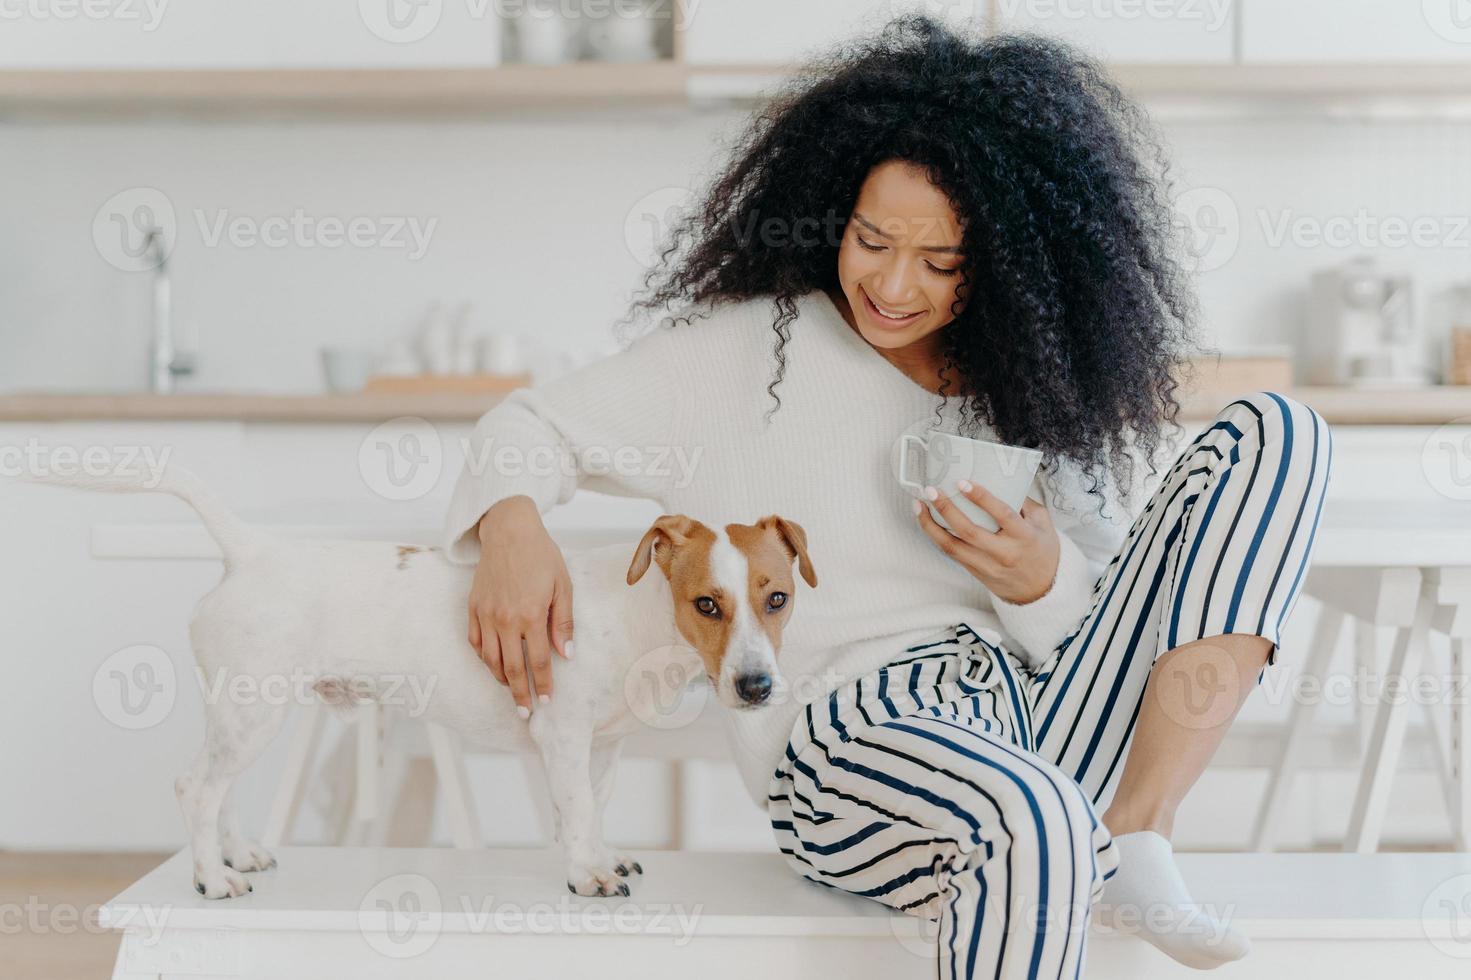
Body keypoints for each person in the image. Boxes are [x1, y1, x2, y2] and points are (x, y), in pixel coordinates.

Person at [442, 17, 1331, 978]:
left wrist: (1039, 579)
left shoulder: (1026, 387)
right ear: (835, 212)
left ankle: (1139, 832)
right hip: (845, 738)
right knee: (1032, 815)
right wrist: (511, 528)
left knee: (1279, 434)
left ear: (1007, 265)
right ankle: (1082, 832)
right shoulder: (748, 353)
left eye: (942, 263)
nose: (893, 286)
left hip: (1030, 721)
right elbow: (527, 429)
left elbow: (1110, 627)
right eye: (871, 242)